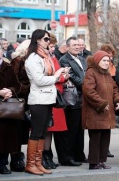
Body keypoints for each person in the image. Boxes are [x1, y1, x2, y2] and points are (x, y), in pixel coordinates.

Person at [24, 29, 66, 175]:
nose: (49, 42)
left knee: (43, 132)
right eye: (46, 39)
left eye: (49, 39)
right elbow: (39, 80)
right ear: (38, 41)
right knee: (36, 132)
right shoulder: (33, 58)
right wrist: (57, 75)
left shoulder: (45, 57)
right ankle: (30, 164)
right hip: (38, 99)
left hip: (48, 98)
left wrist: (60, 74)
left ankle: (37, 162)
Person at [82, 50, 119, 170]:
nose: (107, 63)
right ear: (97, 61)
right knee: (96, 138)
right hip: (95, 112)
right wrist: (101, 103)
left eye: (108, 60)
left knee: (105, 138)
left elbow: (115, 88)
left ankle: (101, 161)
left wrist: (117, 100)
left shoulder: (107, 74)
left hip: (107, 112)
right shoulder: (91, 72)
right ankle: (93, 162)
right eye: (104, 60)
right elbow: (89, 91)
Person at [58, 36, 87, 166]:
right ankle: (68, 157)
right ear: (67, 47)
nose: (77, 47)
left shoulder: (82, 59)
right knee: (71, 129)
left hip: (83, 99)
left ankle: (79, 154)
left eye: (78, 45)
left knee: (80, 129)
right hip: (72, 98)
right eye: (74, 45)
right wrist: (88, 86)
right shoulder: (64, 60)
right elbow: (73, 78)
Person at [42, 34, 68, 169]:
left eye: (53, 46)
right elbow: (52, 76)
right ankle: (44, 156)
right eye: (51, 46)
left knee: (51, 130)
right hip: (48, 96)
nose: (53, 49)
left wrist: (64, 76)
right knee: (46, 129)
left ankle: (48, 156)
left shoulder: (53, 58)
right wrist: (62, 77)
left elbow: (58, 75)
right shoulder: (43, 59)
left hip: (56, 96)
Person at [9, 40, 31, 172]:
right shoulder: (17, 61)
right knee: (16, 132)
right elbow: (14, 81)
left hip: (28, 100)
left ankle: (18, 157)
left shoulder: (31, 60)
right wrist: (29, 87)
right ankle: (16, 158)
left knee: (23, 132)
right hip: (18, 100)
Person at [0, 48, 22, 175]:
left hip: (6, 108)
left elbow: (17, 85)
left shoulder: (8, 66)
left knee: (6, 137)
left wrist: (10, 91)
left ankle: (2, 164)